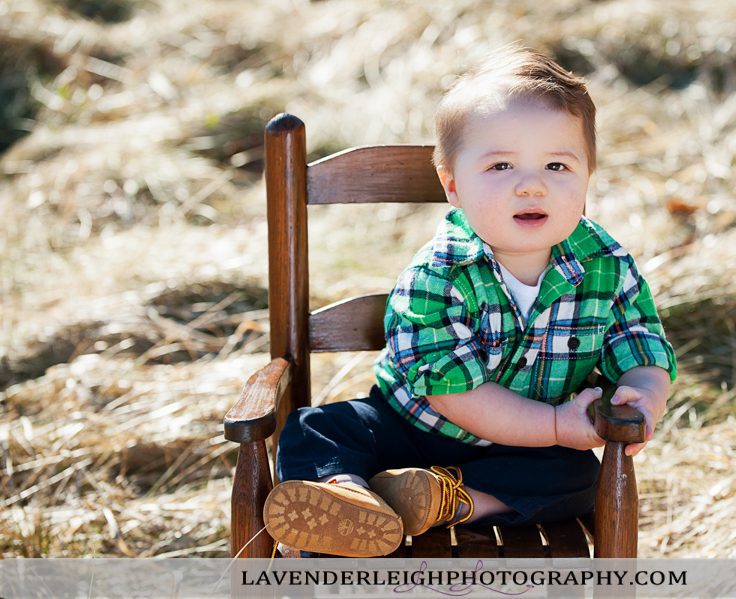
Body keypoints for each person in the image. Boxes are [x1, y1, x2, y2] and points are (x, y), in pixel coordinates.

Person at [262, 47, 677, 558]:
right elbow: (451, 393)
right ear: (453, 186)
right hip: (409, 429)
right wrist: (554, 423)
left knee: (577, 476)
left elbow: (639, 342)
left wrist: (643, 391)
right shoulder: (437, 275)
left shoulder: (605, 264)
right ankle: (347, 495)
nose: (532, 184)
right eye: (501, 165)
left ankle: (444, 501)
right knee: (316, 427)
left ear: (587, 175)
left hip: (522, 451)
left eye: (557, 165)